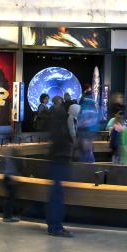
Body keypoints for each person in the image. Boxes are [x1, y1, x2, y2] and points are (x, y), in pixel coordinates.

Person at [46, 97, 73, 237]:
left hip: (57, 159)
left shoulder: (58, 117)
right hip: (59, 160)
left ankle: (54, 225)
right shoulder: (61, 119)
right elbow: (62, 140)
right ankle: (55, 227)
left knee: (56, 194)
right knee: (57, 195)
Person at [76, 95, 99, 163]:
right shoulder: (92, 108)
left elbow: (81, 122)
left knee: (86, 153)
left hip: (85, 133)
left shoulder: (84, 108)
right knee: (88, 153)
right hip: (87, 133)